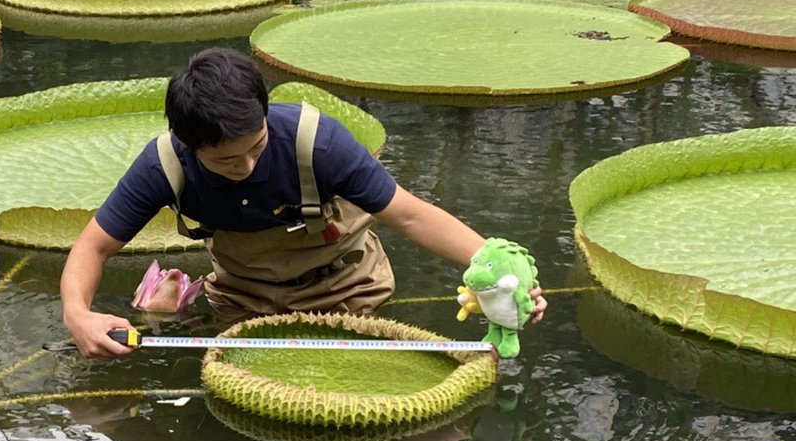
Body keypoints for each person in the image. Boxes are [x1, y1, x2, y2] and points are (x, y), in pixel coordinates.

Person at [61, 48, 546, 359]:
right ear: (189, 145)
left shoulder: (318, 143)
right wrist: (77, 313)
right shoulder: (164, 165)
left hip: (344, 287)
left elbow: (411, 214)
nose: (247, 166)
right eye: (226, 161)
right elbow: (93, 247)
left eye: (256, 146)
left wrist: (500, 273)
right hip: (242, 296)